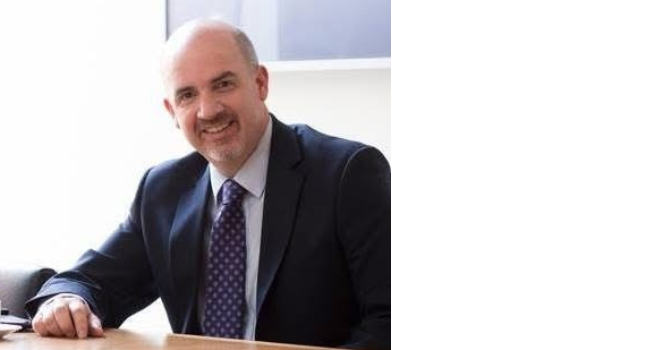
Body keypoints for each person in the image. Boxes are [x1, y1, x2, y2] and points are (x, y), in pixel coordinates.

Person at [25, 19, 390, 349]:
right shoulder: (163, 190)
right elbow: (88, 281)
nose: (208, 110)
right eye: (187, 95)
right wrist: (67, 299)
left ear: (260, 83)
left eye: (223, 84)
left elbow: (390, 324)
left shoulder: (348, 174)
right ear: (172, 111)